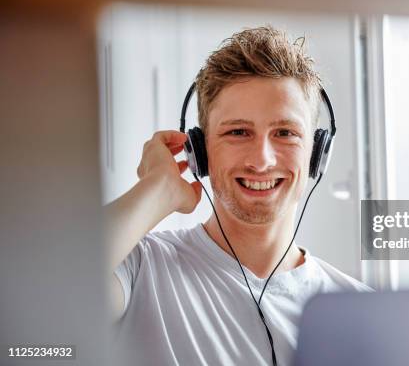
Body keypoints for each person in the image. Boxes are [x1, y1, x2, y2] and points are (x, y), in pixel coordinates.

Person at [105, 26, 371, 365]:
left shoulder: (360, 311)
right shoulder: (141, 269)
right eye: (238, 132)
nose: (262, 159)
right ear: (199, 151)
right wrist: (157, 189)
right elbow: (46, 286)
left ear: (317, 153)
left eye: (285, 133)